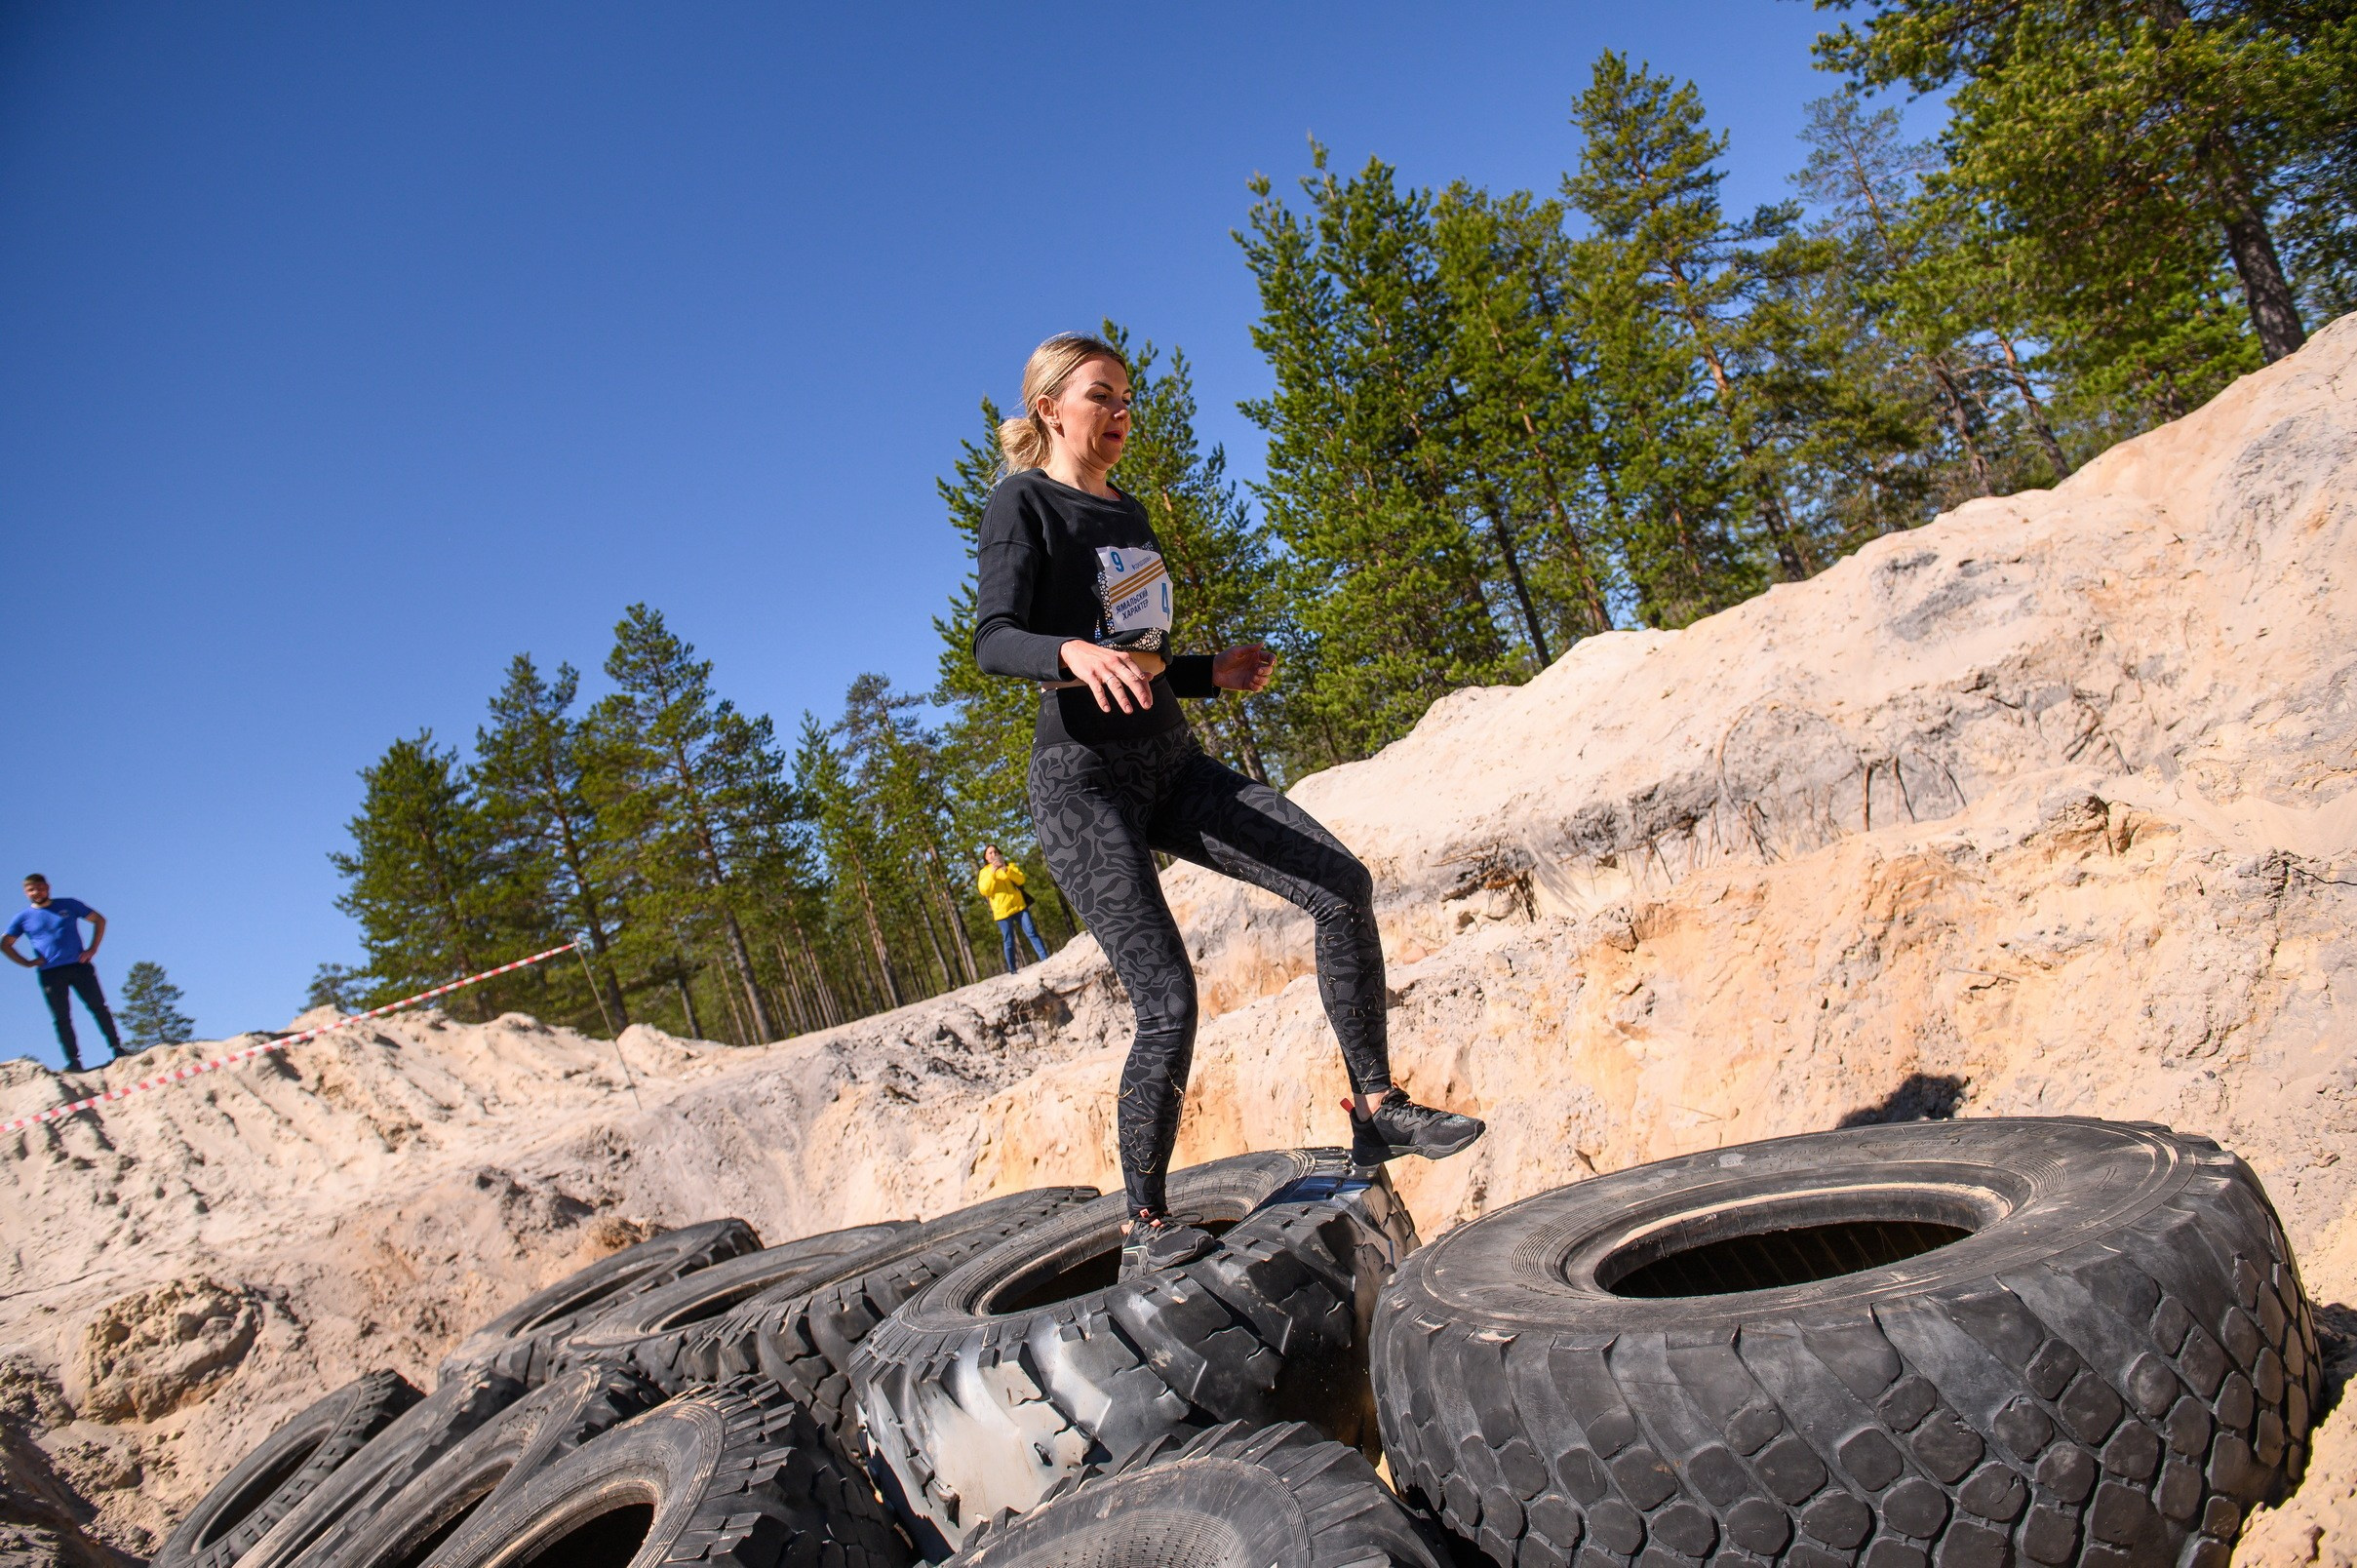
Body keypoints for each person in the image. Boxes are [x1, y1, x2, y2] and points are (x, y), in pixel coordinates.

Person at [972, 333, 1483, 1277]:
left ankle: (1376, 1110)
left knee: (1339, 886)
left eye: (1128, 398)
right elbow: (994, 639)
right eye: (1100, 396)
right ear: (1048, 406)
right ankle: (1143, 1222)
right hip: (1082, 782)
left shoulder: (1126, 511)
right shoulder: (1023, 502)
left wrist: (1210, 672)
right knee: (1165, 998)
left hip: (1171, 761)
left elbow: (1141, 654)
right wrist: (1067, 654)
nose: (1120, 414)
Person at [3, 875, 125, 1073]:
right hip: (50, 972)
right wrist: (26, 962)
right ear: (26, 892)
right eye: (32, 890)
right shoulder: (23, 918)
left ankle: (117, 1048)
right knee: (61, 1017)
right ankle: (73, 1061)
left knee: (98, 1007)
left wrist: (93, 948)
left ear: (48, 887)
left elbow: (99, 920)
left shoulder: (68, 904)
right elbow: (5, 944)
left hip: (79, 965)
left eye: (40, 888)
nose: (37, 893)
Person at [978, 845, 1051, 973]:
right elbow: (985, 890)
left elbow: (1021, 879)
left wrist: (1007, 870)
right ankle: (1012, 969)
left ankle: (1045, 959)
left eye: (995, 851)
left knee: (1032, 932)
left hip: (1019, 906)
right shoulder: (984, 873)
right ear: (985, 857)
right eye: (990, 853)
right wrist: (993, 873)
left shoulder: (1009, 866)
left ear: (999, 853)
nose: (993, 854)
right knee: (1009, 941)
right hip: (1002, 912)